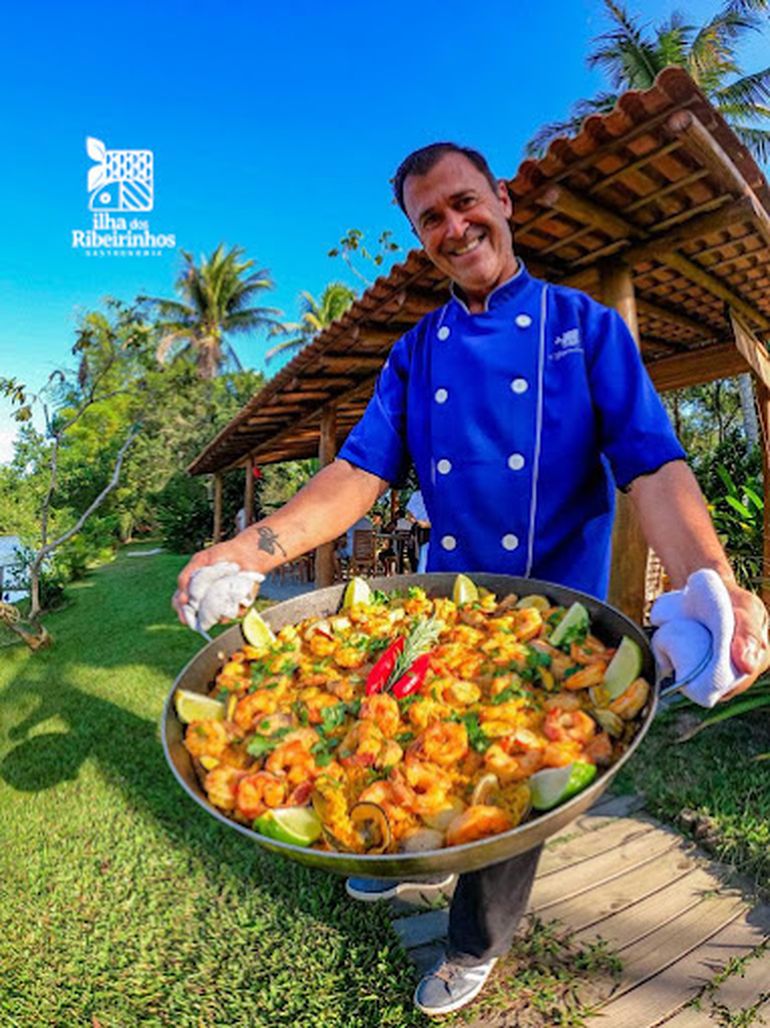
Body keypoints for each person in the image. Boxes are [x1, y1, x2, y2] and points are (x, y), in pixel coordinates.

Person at [174, 142, 769, 1016]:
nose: (455, 228)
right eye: (431, 219)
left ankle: (471, 945)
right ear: (420, 239)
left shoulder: (586, 326)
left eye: (464, 204)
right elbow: (358, 474)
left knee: (511, 792)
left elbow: (653, 465)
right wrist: (250, 550)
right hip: (448, 608)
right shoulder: (416, 353)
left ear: (503, 200)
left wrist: (716, 586)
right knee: (398, 740)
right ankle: (382, 849)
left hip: (556, 617)